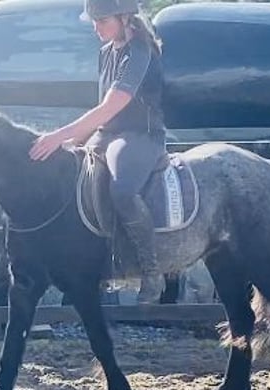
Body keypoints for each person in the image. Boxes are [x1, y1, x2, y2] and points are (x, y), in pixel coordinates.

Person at [29, 0, 166, 304]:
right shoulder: (106, 53)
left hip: (140, 136)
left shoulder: (140, 52)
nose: (96, 27)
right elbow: (102, 115)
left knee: (122, 190)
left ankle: (150, 269)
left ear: (124, 17)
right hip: (108, 134)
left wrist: (60, 135)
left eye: (102, 20)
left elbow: (111, 106)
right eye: (94, 21)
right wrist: (71, 143)